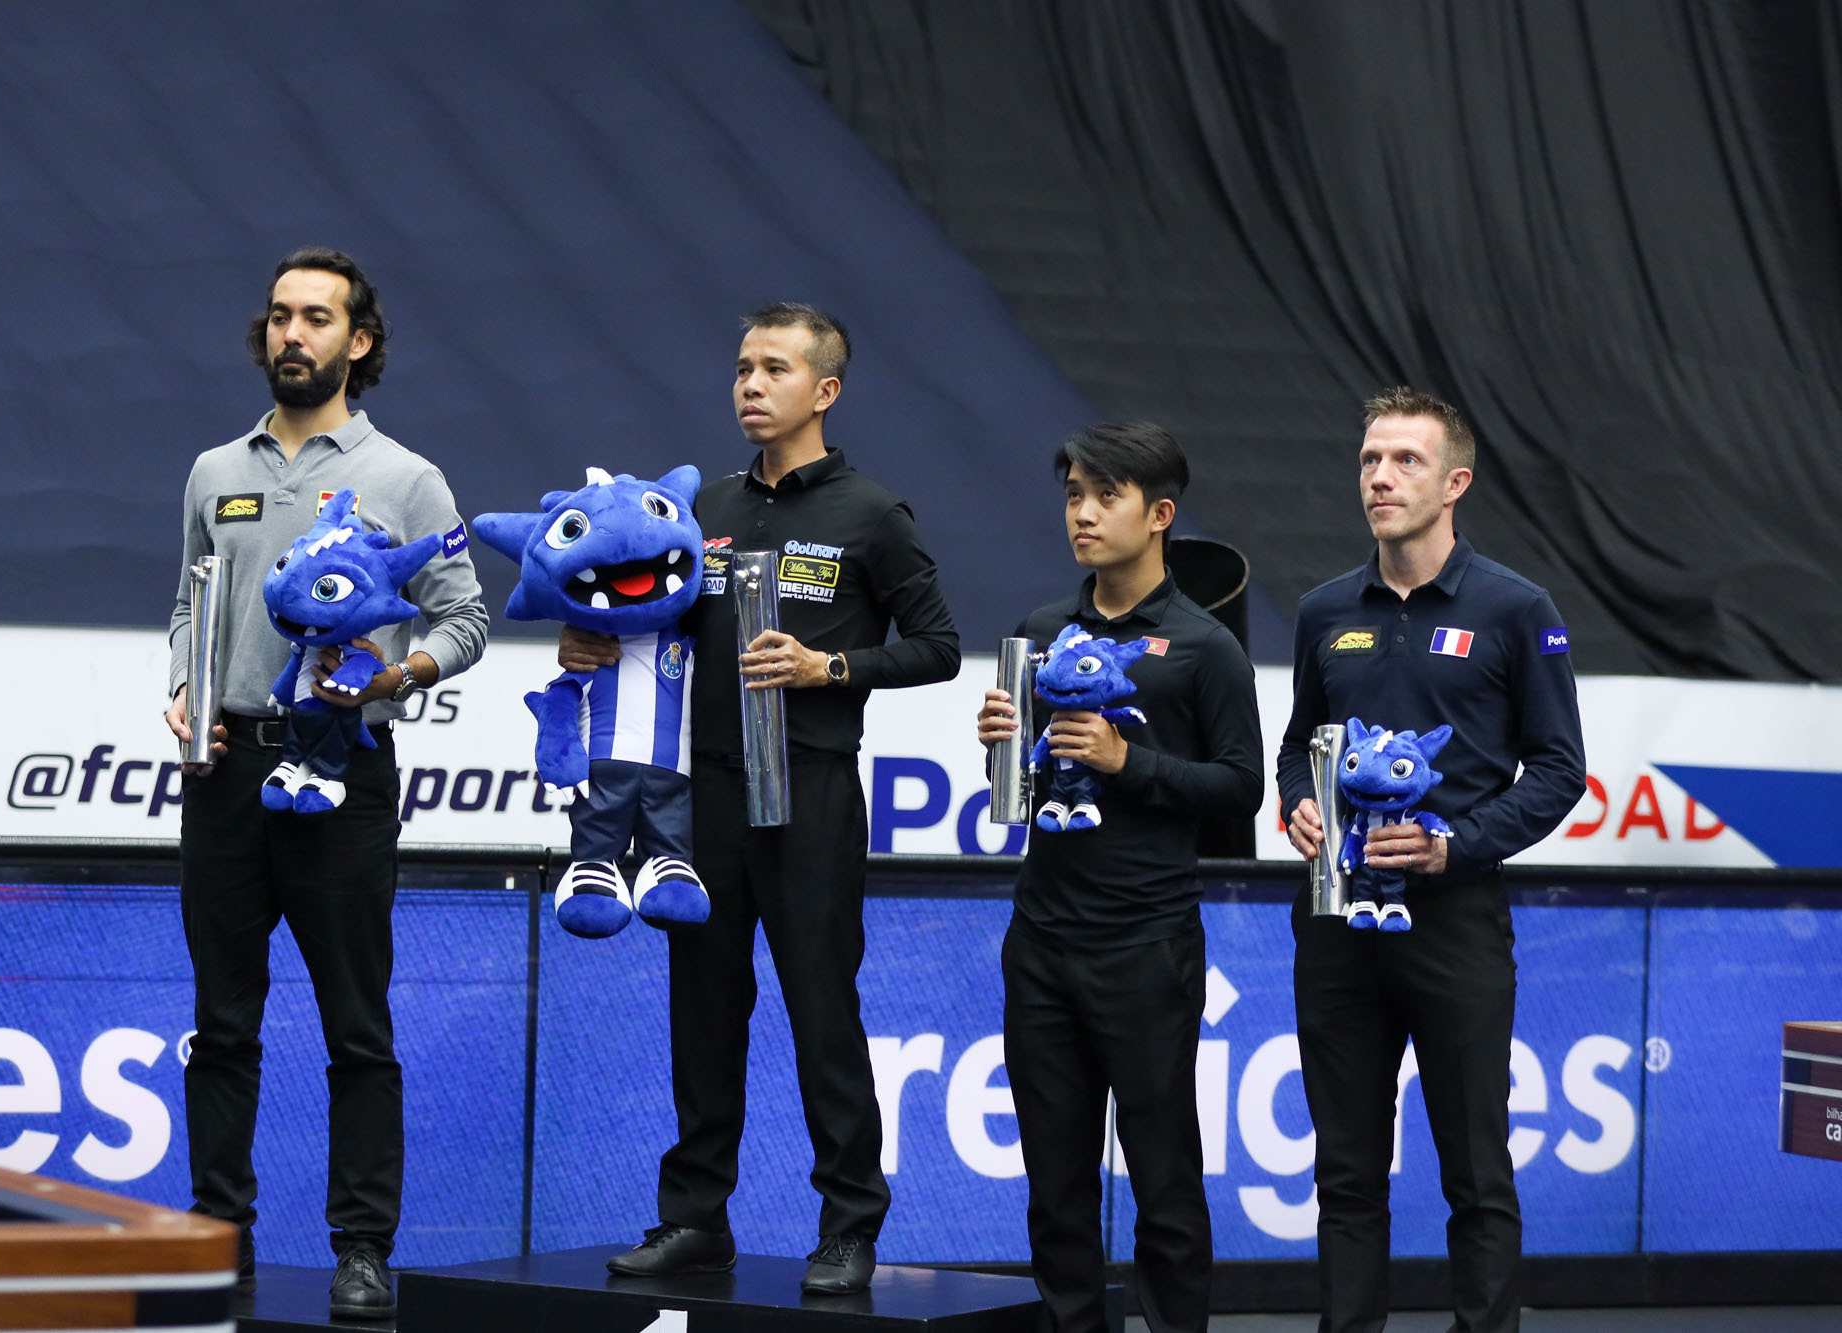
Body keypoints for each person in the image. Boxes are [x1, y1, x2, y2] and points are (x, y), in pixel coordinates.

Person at [562, 303, 960, 1295]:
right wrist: (595, 644)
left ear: (822, 391)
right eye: (741, 366)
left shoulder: (872, 514)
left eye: (772, 368)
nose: (747, 384)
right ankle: (695, 1219)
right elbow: (654, 623)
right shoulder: (700, 515)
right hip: (703, 796)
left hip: (814, 791)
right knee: (702, 1011)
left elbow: (940, 647)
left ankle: (848, 1225)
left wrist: (829, 665)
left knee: (822, 1010)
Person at [164, 247, 488, 1320]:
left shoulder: (405, 476)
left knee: (357, 1024)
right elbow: (185, 607)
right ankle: (218, 1234)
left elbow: (466, 615)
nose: (291, 334)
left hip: (344, 771)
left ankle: (360, 1248)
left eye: (315, 318)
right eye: (277, 316)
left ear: (358, 341)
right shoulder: (217, 470)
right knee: (221, 1024)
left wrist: (401, 673)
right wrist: (185, 685)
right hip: (224, 772)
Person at [1277, 387, 1585, 1333]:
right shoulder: (1326, 608)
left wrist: (1457, 844)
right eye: (1370, 459)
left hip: (1455, 925)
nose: (1380, 477)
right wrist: (1295, 800)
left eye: (1405, 460)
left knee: (1475, 1171)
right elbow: (1298, 743)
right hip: (1338, 922)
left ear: (1456, 481)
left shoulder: (1516, 608)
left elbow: (1562, 768)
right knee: (1345, 1173)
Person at [975, 422, 1263, 1333]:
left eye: (1106, 496)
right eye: (1073, 495)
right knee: (1054, 1185)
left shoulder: (1205, 645)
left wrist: (1126, 759)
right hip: (1043, 938)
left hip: (1147, 943)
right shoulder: (1040, 632)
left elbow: (1243, 788)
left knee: (1164, 1177)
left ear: (1161, 514)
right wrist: (1003, 744)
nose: (1084, 514)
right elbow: (1023, 790)